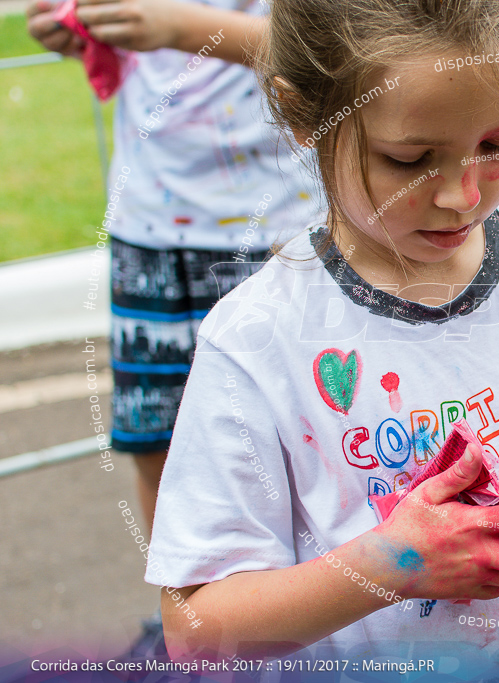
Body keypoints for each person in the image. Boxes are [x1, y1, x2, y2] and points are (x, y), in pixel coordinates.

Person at [144, 0, 499, 675]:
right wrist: (389, 563)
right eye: (409, 159)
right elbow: (193, 630)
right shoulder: (255, 339)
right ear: (305, 115)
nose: (459, 194)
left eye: (496, 145)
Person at [25, 0, 322, 658]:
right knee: (158, 441)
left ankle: (293, 631)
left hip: (272, 226)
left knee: (290, 451)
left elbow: (337, 38)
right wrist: (75, 29)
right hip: (150, 223)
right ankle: (186, 631)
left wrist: (183, 29)